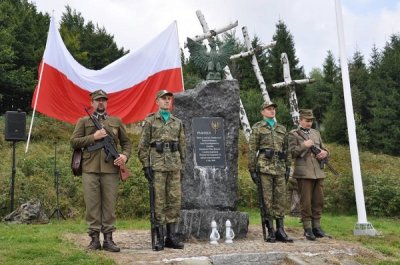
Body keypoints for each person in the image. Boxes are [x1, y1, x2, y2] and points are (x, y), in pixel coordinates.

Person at [70, 89, 131, 252]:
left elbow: (126, 143)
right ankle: (94, 239)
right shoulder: (83, 121)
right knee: (92, 205)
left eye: (103, 100)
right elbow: (74, 142)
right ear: (92, 103)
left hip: (111, 169)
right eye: (97, 100)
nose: (101, 102)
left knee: (109, 205)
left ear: (107, 102)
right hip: (89, 169)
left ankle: (109, 240)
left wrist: (124, 156)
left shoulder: (116, 121)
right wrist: (93, 137)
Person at [138, 89, 186, 251]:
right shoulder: (151, 121)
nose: (167, 101)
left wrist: (183, 165)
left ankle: (171, 237)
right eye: (163, 98)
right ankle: (159, 236)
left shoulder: (177, 122)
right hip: (157, 166)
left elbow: (182, 146)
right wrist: (146, 165)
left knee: (174, 200)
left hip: (174, 166)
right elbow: (143, 146)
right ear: (157, 101)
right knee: (159, 202)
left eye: (169, 99)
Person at [248, 101, 293, 243]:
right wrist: (252, 169)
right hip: (265, 168)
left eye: (273, 109)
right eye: (268, 109)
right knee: (267, 200)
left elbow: (287, 149)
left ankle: (281, 230)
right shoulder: (258, 128)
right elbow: (252, 150)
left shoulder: (282, 128)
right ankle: (270, 230)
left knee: (280, 199)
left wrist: (288, 167)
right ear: (262, 112)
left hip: (280, 167)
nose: (272, 111)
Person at [288, 109, 328, 241]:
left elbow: (324, 148)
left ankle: (317, 228)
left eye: (311, 121)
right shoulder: (293, 134)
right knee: (306, 202)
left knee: (319, 201)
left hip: (318, 171)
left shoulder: (316, 133)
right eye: (307, 120)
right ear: (300, 120)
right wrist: (304, 145)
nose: (309, 123)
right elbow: (291, 153)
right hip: (304, 173)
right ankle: (307, 229)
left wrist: (325, 153)